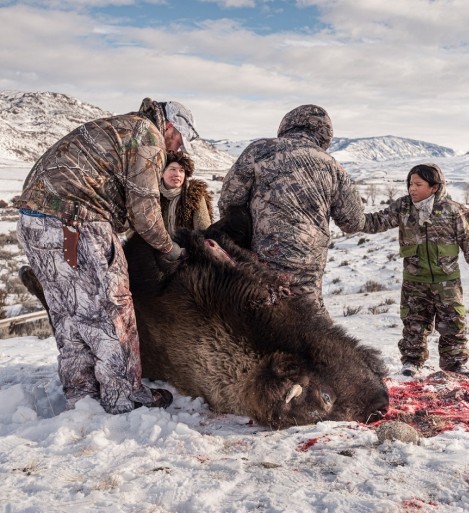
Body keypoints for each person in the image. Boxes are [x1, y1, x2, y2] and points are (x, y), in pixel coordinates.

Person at [14, 97, 199, 414]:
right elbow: (145, 214)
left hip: (34, 222)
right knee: (113, 306)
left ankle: (82, 393)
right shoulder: (147, 135)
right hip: (78, 224)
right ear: (170, 126)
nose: (178, 149)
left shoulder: (121, 128)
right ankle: (122, 395)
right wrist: (171, 249)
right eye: (180, 139)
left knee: (68, 313)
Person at [218, 104, 365, 311]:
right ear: (325, 134)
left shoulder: (259, 150)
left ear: (287, 125)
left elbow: (229, 201)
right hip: (308, 272)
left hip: (260, 263)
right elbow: (354, 222)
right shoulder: (333, 166)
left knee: (259, 317)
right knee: (310, 327)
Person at [361, 163, 469, 378]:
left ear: (434, 187)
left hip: (447, 281)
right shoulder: (403, 207)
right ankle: (412, 362)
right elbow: (376, 222)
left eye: (418, 184)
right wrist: (350, 217)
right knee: (414, 323)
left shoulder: (453, 210)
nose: (412, 189)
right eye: (410, 184)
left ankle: (455, 363)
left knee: (453, 323)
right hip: (415, 280)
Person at [159, 151, 213, 235]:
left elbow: (204, 230)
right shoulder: (154, 195)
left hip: (188, 245)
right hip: (158, 244)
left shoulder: (194, 196)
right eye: (173, 169)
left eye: (181, 170)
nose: (177, 174)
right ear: (162, 173)